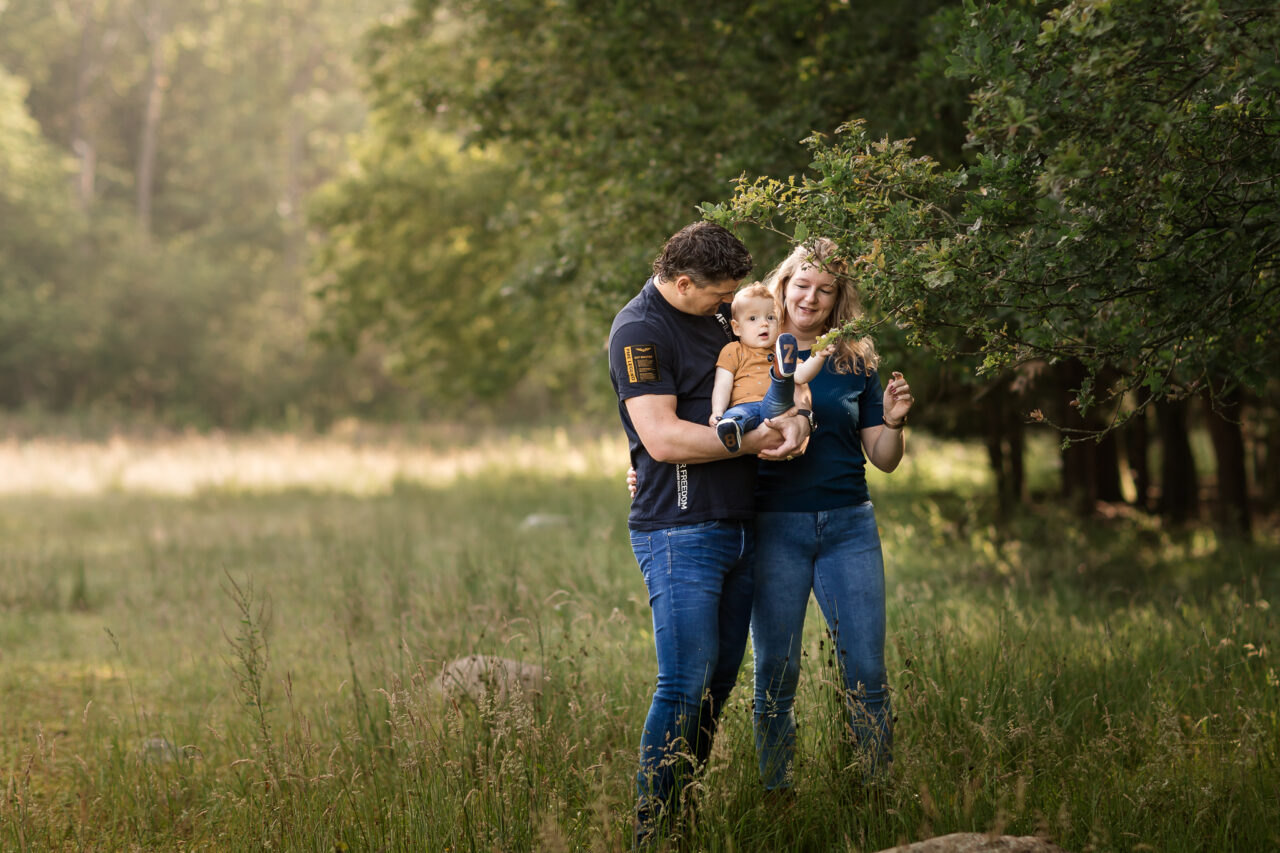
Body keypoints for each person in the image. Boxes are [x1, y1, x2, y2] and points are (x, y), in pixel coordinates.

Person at [607, 222, 811, 845]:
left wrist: (796, 419)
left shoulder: (718, 317)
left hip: (742, 521)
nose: (728, 305)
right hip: (680, 529)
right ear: (683, 280)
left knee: (718, 683)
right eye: (717, 294)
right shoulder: (641, 331)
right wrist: (748, 440)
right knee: (684, 682)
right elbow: (663, 439)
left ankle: (682, 810)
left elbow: (764, 378)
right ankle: (652, 830)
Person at [749, 238, 914, 795]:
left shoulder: (856, 359)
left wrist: (892, 421)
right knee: (776, 672)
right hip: (775, 525)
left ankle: (873, 791)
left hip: (849, 526)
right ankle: (778, 792)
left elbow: (884, 461)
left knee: (866, 670)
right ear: (784, 284)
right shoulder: (751, 348)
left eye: (825, 289)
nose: (811, 298)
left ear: (839, 297)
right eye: (802, 284)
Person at [710, 281, 834, 452]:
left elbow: (802, 375)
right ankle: (730, 431)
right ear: (737, 328)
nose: (764, 324)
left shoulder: (781, 351)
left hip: (776, 410)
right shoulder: (733, 350)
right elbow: (722, 385)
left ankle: (781, 375)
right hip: (744, 406)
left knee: (782, 389)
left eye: (770, 317)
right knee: (735, 417)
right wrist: (718, 411)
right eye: (753, 318)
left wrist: (819, 356)